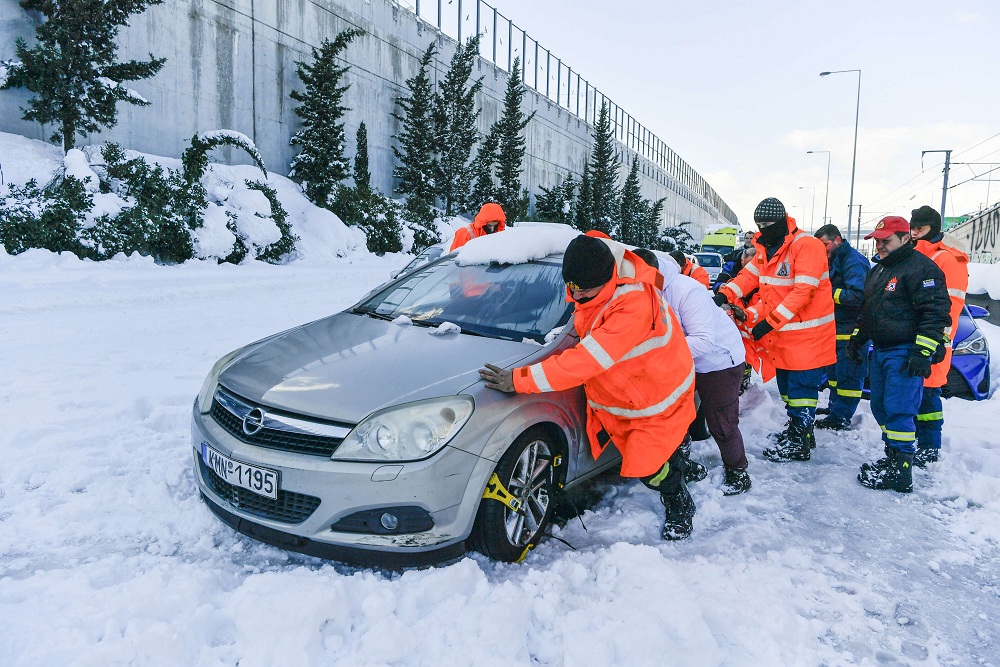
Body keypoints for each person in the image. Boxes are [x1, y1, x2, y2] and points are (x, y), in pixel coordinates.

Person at [479, 233, 699, 539]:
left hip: (656, 396)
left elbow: (584, 361)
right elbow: (592, 240)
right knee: (659, 450)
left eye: (585, 290)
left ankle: (677, 497)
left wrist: (518, 379)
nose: (576, 296)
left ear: (608, 278)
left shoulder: (631, 306)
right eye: (572, 287)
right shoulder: (603, 267)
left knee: (648, 467)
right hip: (643, 384)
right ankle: (677, 465)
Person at [715, 197, 837, 462]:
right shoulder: (766, 249)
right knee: (788, 390)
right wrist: (725, 294)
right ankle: (800, 431)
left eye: (767, 224)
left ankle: (800, 441)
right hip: (783, 335)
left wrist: (768, 323)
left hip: (807, 336)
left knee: (801, 391)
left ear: (782, 221)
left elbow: (803, 292)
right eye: (758, 224)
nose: (762, 229)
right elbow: (749, 278)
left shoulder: (807, 246)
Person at [634, 248, 752, 495]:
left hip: (718, 361)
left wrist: (656, 349)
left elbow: (703, 340)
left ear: (652, 272)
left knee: (721, 421)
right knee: (676, 416)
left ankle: (738, 471)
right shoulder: (642, 288)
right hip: (681, 360)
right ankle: (683, 464)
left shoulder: (686, 291)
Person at [850, 216, 951, 493]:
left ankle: (901, 472)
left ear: (906, 239)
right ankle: (893, 457)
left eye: (886, 241)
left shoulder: (922, 269)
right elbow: (869, 311)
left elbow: (934, 313)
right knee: (880, 407)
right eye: (877, 241)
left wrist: (922, 352)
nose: (880, 246)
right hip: (882, 350)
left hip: (905, 352)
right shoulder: (879, 270)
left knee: (899, 410)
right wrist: (858, 338)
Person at [909, 205, 969, 466]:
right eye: (912, 228)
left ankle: (930, 448)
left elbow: (951, 307)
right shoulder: (919, 254)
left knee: (929, 395)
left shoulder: (948, 259)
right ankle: (915, 443)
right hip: (915, 336)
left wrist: (937, 341)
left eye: (919, 229)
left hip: (932, 340)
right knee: (916, 393)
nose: (914, 234)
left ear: (933, 228)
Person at [813, 224, 871, 430]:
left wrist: (827, 292)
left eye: (825, 244)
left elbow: (857, 296)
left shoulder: (853, 261)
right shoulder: (836, 259)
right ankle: (835, 409)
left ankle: (842, 416)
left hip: (850, 330)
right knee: (835, 375)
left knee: (849, 377)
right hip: (835, 329)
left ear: (838, 240)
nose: (823, 250)